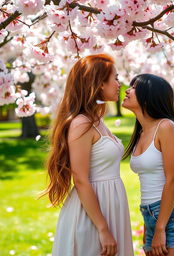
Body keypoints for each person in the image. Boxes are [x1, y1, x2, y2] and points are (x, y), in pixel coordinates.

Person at [42, 54, 134, 256]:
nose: (120, 84)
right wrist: (103, 228)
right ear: (99, 83)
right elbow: (81, 179)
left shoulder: (96, 120)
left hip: (110, 203)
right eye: (115, 78)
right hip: (93, 212)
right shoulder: (81, 123)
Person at [122, 74, 174, 256]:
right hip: (151, 217)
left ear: (149, 96)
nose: (126, 90)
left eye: (134, 87)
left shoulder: (166, 127)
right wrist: (149, 225)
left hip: (171, 220)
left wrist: (160, 228)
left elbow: (172, 180)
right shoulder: (141, 133)